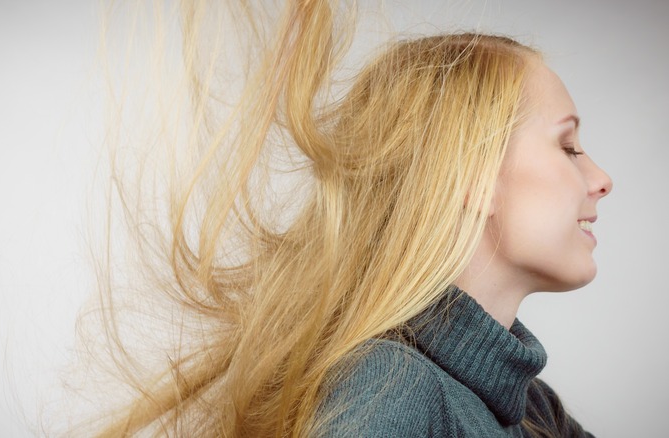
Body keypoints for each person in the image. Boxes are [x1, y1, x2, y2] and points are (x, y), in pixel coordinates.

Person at [88, 1, 611, 436]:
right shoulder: (390, 391)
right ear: (472, 176)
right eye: (568, 147)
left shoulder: (534, 410)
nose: (601, 179)